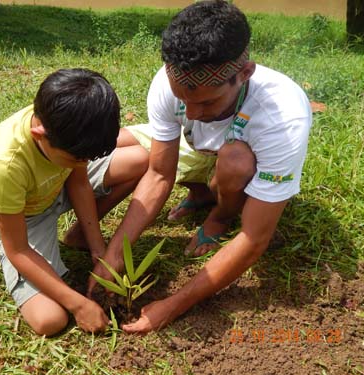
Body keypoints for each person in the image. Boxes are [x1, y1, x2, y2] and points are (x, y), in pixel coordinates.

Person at [88, 0, 313, 333]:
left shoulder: (282, 117)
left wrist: (173, 305)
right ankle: (204, 192)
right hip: (199, 150)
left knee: (235, 160)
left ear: (245, 73)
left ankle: (219, 213)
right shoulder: (170, 84)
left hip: (240, 160)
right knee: (129, 145)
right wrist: (114, 257)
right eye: (184, 101)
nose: (191, 113)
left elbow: (254, 238)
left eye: (206, 102)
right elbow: (160, 172)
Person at [0, 68, 148, 336]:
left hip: (59, 187)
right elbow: (18, 250)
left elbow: (78, 180)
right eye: (76, 158)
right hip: (27, 216)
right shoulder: (4, 164)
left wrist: (98, 250)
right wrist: (78, 304)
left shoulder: (69, 127)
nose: (83, 163)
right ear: (39, 135)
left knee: (140, 159)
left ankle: (77, 236)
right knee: (49, 320)